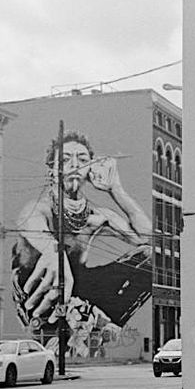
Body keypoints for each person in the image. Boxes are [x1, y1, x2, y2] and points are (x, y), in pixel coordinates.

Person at [12, 130, 153, 352]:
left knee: (150, 256)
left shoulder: (97, 215)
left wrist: (116, 189)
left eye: (82, 159)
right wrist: (54, 252)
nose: (74, 165)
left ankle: (104, 324)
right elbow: (29, 222)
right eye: (65, 159)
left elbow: (147, 238)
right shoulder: (40, 207)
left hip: (80, 288)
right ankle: (67, 330)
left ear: (90, 169)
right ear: (52, 170)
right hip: (39, 294)